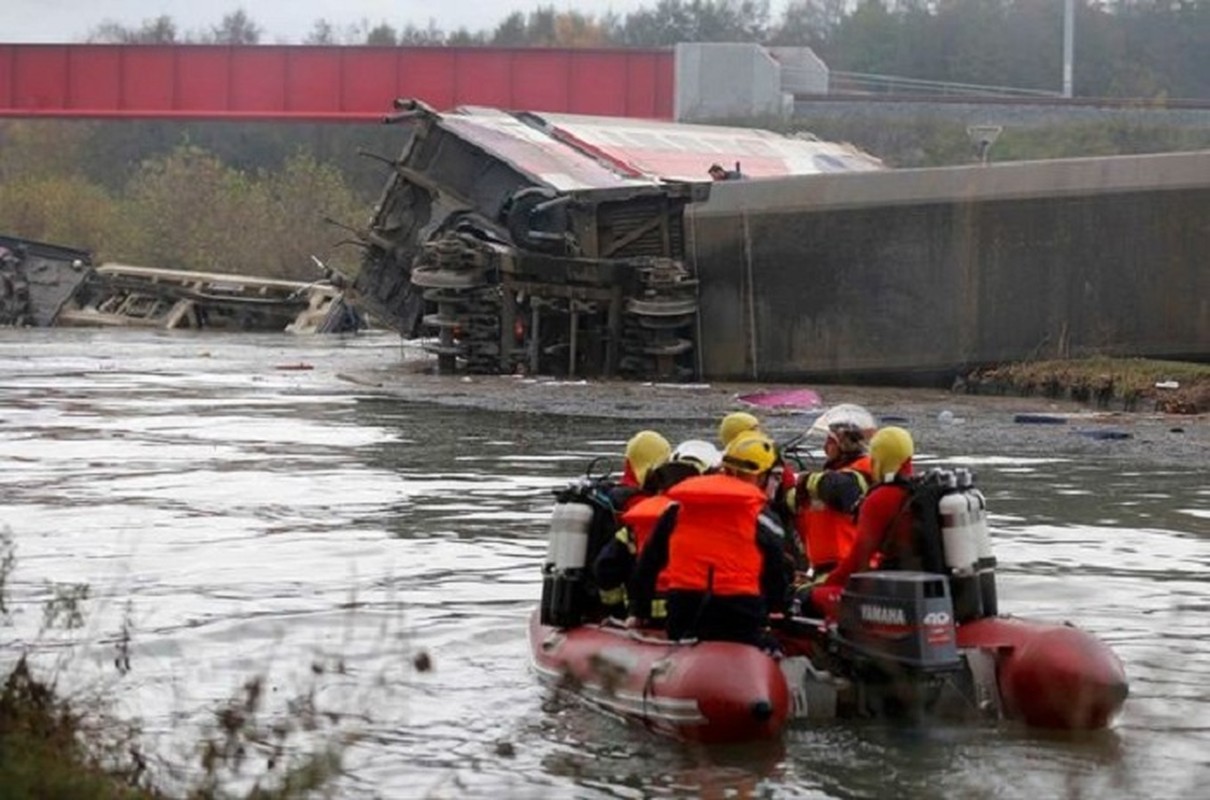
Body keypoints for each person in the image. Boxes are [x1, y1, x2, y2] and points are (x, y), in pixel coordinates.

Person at [628, 432, 789, 647]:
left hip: (683, 614)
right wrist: (776, 609)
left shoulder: (678, 509)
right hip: (739, 617)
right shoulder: (763, 518)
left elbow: (648, 563)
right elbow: (775, 574)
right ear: (760, 476)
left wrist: (639, 611)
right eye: (774, 477)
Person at [592, 440, 721, 622]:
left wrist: (617, 611)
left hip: (644, 617)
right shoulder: (713, 522)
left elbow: (605, 567)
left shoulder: (639, 518)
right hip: (694, 618)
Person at [805, 426, 916, 620]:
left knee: (806, 600)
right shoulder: (918, 491)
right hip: (909, 586)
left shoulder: (882, 498)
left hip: (882, 588)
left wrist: (824, 586)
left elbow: (859, 558)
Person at [789, 421, 873, 581]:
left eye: (830, 442)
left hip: (849, 567)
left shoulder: (860, 472)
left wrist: (805, 480)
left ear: (845, 445)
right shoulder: (833, 476)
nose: (825, 447)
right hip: (825, 568)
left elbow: (840, 490)